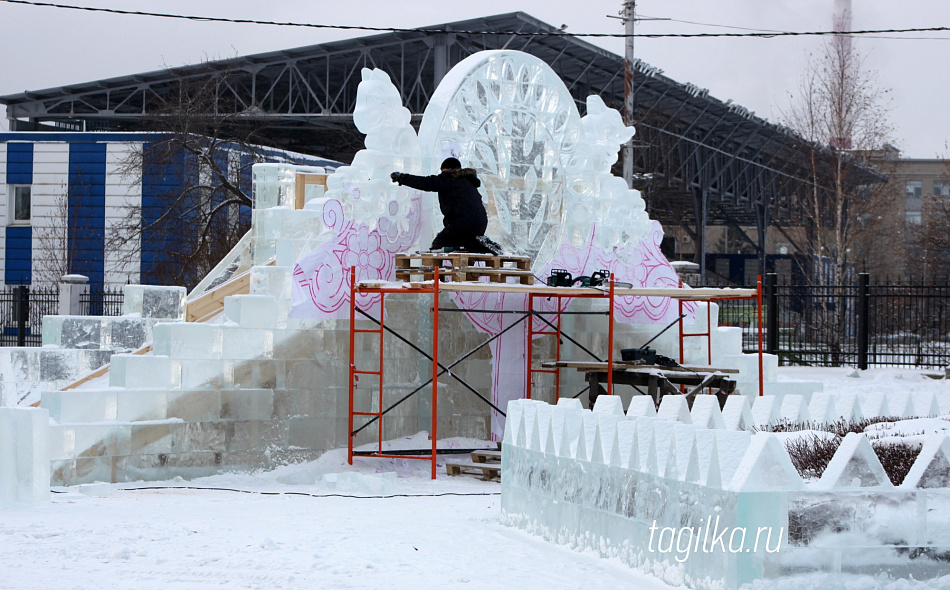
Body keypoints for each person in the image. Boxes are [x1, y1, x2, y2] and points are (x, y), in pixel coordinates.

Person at [391, 158, 495, 253]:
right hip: (480, 224)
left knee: (439, 244)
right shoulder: (468, 182)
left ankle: (479, 247)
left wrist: (402, 178)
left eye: (442, 171)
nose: (442, 174)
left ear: (449, 169)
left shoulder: (449, 178)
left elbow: (426, 182)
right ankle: (478, 245)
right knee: (463, 244)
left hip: (461, 223)